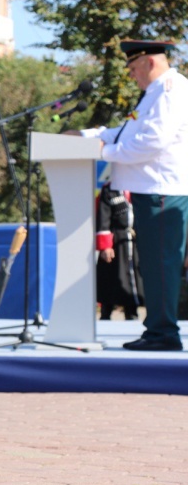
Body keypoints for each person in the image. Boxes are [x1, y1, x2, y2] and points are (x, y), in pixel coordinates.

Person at [75, 39, 188, 351]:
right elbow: (127, 131)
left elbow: (153, 142)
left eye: (135, 69)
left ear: (150, 63)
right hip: (150, 189)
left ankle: (163, 333)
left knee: (161, 265)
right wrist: (87, 136)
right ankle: (157, 330)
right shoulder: (153, 93)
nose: (133, 77)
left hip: (162, 190)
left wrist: (104, 151)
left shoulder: (170, 91)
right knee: (152, 266)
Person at [96, 181, 144, 320]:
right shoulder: (109, 189)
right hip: (115, 242)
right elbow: (103, 218)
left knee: (133, 278)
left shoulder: (140, 185)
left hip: (134, 242)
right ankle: (106, 312)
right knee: (110, 278)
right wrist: (105, 246)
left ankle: (132, 311)